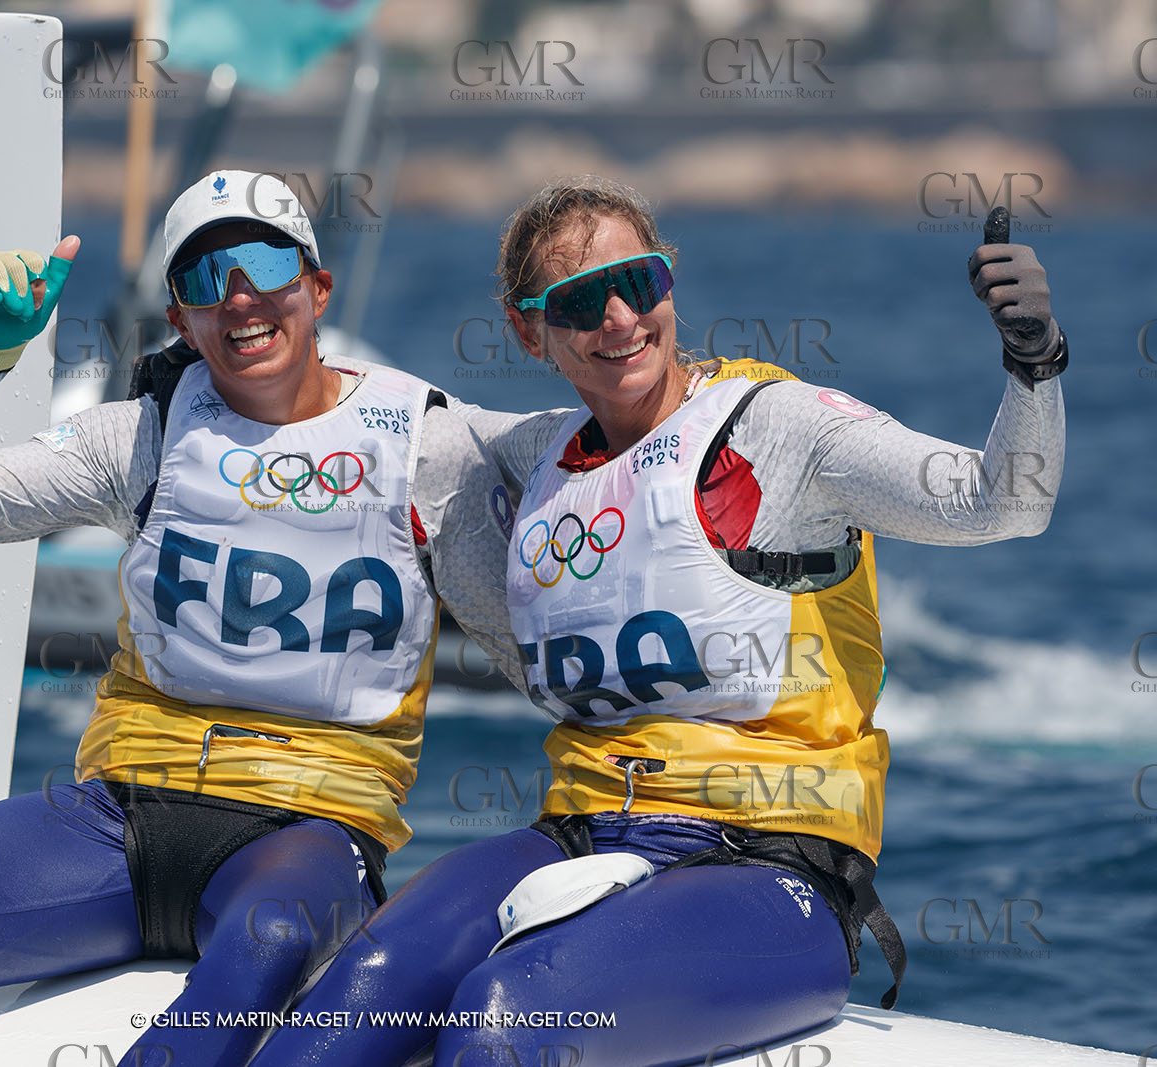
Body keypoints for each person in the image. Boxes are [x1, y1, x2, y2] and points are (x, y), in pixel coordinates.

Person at [0, 171, 520, 1067]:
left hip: (307, 835)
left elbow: (550, 583)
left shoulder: (423, 442)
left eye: (266, 263)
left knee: (269, 944)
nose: (239, 295)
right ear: (181, 323)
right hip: (113, 822)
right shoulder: (144, 435)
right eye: (204, 278)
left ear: (315, 287)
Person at [247, 176, 1066, 1067]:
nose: (618, 320)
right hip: (584, 830)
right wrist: (211, 382)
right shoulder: (534, 455)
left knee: (505, 1013)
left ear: (668, 281)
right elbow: (382, 421)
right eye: (578, 302)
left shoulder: (777, 431)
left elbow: (1001, 503)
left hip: (771, 866)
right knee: (352, 992)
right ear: (531, 331)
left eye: (636, 284)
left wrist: (1034, 361)